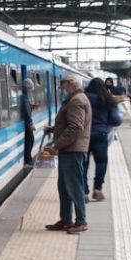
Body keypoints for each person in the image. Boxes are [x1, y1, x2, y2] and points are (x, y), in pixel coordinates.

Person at [43, 76, 91, 234]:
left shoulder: (76, 101)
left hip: (73, 151)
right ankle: (65, 220)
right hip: (69, 150)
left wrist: (56, 146)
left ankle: (81, 222)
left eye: (63, 86)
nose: (62, 90)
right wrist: (53, 129)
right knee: (64, 187)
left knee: (74, 187)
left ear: (70, 85)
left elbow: (75, 128)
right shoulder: (76, 99)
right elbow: (70, 124)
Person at [82, 77, 124, 201]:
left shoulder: (82, 97)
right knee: (101, 162)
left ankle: (84, 192)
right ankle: (98, 189)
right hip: (101, 136)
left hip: (83, 136)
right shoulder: (107, 99)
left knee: (83, 164)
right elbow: (115, 121)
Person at [20, 78, 35, 166]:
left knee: (29, 140)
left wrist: (30, 107)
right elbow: (26, 111)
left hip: (25, 122)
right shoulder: (24, 97)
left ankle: (28, 159)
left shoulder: (24, 96)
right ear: (27, 87)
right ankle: (28, 160)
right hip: (26, 123)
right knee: (30, 140)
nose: (30, 90)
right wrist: (31, 123)